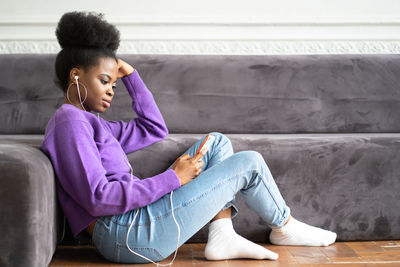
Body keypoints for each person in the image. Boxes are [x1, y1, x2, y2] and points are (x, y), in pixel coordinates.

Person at [41, 11, 337, 265]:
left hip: (133, 222)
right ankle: (284, 227)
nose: (110, 90)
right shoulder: (70, 121)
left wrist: (132, 76)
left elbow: (154, 128)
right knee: (250, 162)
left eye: (114, 85)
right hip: (125, 232)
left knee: (217, 142)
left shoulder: (95, 124)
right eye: (105, 81)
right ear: (76, 76)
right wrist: (173, 178)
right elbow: (97, 198)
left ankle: (223, 236)